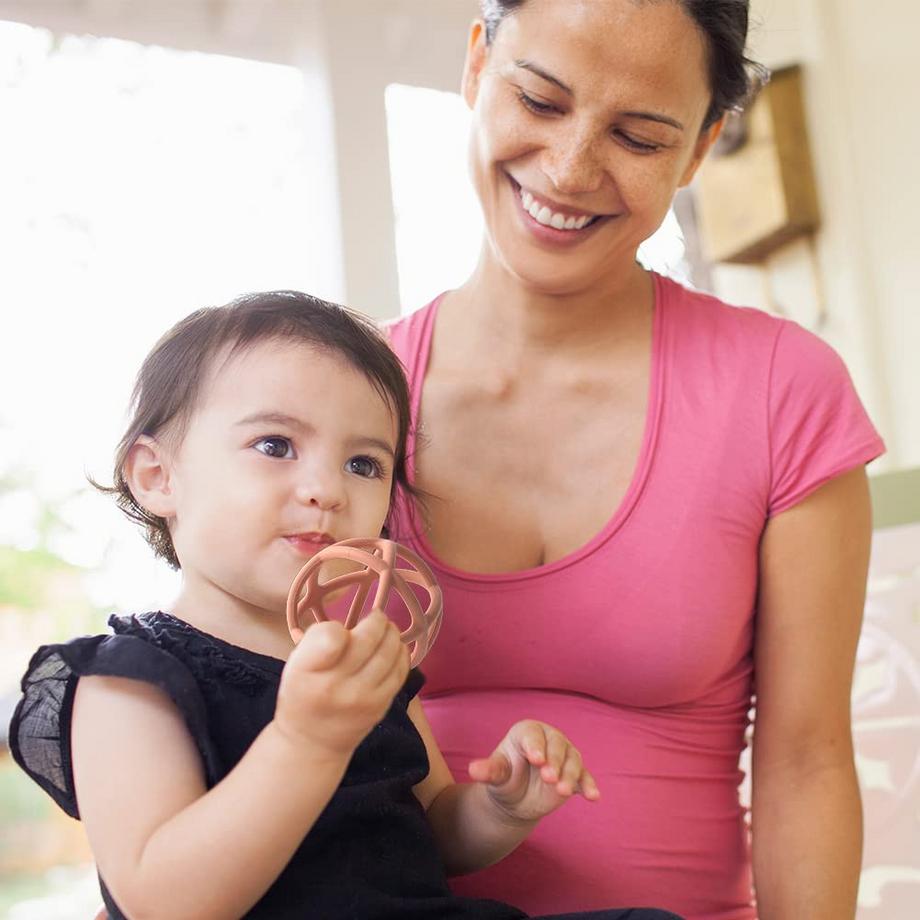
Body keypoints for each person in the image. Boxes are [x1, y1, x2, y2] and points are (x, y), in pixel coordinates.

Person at [384, 1, 885, 918]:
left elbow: (807, 761)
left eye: (640, 138)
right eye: (540, 101)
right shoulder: (350, 401)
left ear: (700, 148)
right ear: (477, 64)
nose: (570, 170)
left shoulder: (782, 389)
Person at [9, 292, 683, 920]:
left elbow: (431, 836)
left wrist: (500, 809)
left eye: (363, 464)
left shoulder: (366, 654)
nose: (327, 489)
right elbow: (162, 904)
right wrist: (307, 741)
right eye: (275, 446)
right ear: (158, 477)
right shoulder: (128, 679)